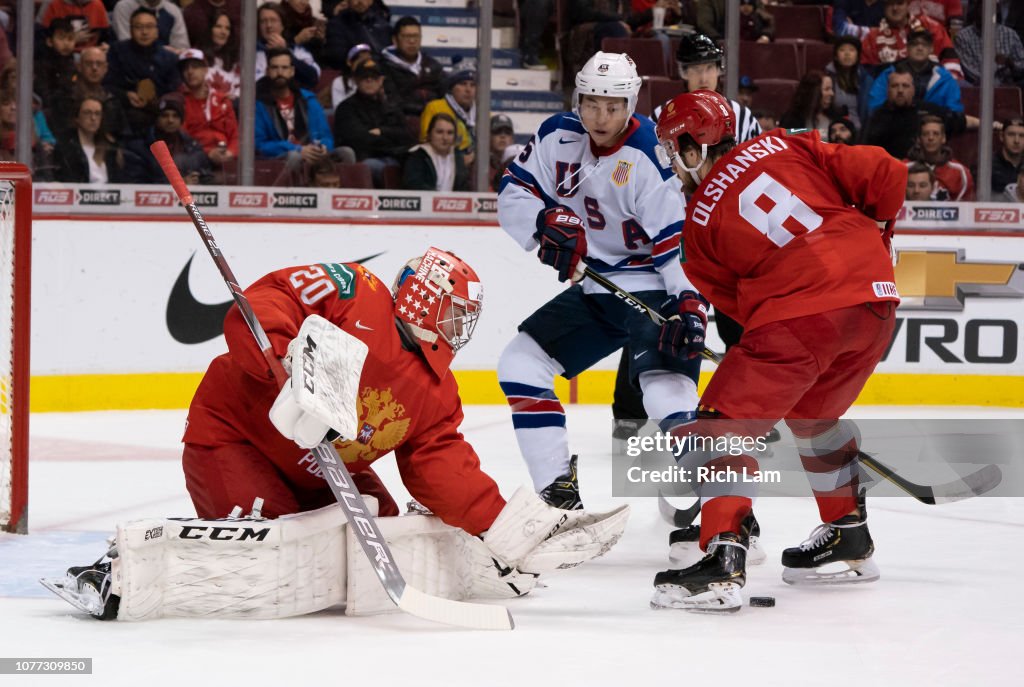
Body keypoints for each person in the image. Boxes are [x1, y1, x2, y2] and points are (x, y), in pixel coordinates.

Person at [47, 248, 627, 620]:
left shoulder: (437, 389)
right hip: (236, 436)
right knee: (272, 546)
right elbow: (267, 300)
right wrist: (282, 359)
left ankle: (484, 556)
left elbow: (439, 465)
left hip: (322, 461)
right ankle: (119, 569)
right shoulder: (355, 291)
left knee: (379, 517)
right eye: (456, 315)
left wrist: (502, 530)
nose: (459, 330)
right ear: (427, 296)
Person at [651, 90, 905, 612]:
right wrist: (875, 240)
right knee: (816, 416)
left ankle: (723, 554)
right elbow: (887, 172)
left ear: (693, 146)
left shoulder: (696, 227)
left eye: (674, 152)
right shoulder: (787, 144)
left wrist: (774, 358)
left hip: (801, 317)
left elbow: (741, 308)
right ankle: (848, 536)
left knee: (722, 424)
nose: (673, 167)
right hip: (877, 300)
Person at [495, 52, 701, 509]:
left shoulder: (650, 152)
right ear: (577, 99)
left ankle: (714, 496)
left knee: (663, 383)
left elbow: (674, 242)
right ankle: (556, 493)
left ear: (629, 104)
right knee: (520, 366)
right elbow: (514, 188)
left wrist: (687, 301)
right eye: (591, 104)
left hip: (652, 283)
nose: (600, 116)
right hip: (597, 285)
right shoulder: (558, 134)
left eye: (612, 106)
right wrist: (542, 221)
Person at [618, 33, 762, 437]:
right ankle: (627, 413)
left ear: (719, 69)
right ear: (682, 73)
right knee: (654, 313)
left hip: (725, 233)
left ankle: (747, 409)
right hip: (676, 230)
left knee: (738, 323)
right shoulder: (665, 114)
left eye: (708, 67)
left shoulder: (740, 116)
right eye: (693, 68)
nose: (702, 75)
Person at [254, 48, 353, 171]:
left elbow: (325, 135)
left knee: (346, 153)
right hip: (282, 157)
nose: (280, 72)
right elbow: (260, 144)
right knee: (294, 157)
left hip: (313, 153)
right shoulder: (259, 104)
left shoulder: (308, 99)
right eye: (275, 68)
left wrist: (322, 147)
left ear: (292, 71)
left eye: (285, 68)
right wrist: (298, 150)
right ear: (267, 71)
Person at [333, 59, 414, 187]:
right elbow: (359, 139)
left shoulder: (391, 107)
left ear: (381, 80)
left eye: (374, 77)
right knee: (372, 166)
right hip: (365, 158)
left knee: (416, 162)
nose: (369, 81)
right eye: (364, 77)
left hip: (395, 157)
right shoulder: (346, 108)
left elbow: (407, 135)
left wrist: (381, 131)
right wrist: (391, 140)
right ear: (355, 80)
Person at [861, 63, 969, 159]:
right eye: (895, 86)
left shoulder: (928, 110)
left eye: (905, 86)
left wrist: (984, 124)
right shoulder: (877, 118)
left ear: (913, 89)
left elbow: (961, 121)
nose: (900, 90)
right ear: (887, 90)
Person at [103, 6, 180, 136]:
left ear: (157, 31)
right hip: (125, 110)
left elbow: (174, 90)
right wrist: (126, 95)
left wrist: (155, 101)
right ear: (131, 30)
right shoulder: (117, 52)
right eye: (138, 27)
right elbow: (107, 84)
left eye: (149, 27)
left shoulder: (169, 58)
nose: (144, 32)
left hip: (159, 111)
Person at [867, 29, 964, 115]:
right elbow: (874, 107)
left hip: (933, 130)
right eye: (915, 44)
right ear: (907, 48)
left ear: (931, 49)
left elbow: (955, 112)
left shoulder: (945, 78)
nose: (920, 48)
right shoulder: (889, 73)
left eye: (925, 44)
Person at [861, 0, 962, 80]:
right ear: (884, 6)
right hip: (889, 94)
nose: (895, 8)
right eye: (890, 4)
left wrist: (948, 84)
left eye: (900, 3)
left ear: (908, 4)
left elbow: (950, 59)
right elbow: (866, 75)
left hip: (931, 93)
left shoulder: (931, 27)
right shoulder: (873, 37)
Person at [126, 92, 212, 185]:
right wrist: (177, 184)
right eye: (165, 115)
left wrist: (199, 179)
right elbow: (136, 184)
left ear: (181, 121)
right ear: (157, 119)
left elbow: (207, 176)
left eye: (175, 116)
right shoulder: (139, 148)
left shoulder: (193, 147)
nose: (170, 120)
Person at [178, 49, 238, 168]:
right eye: (186, 68)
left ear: (205, 70)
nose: (190, 72)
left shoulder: (222, 100)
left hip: (226, 156)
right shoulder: (178, 102)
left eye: (195, 67)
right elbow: (182, 139)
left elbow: (235, 134)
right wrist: (208, 152)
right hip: (195, 157)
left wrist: (231, 152)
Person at [53, 96, 132, 183]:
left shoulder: (110, 148)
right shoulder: (65, 147)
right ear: (77, 118)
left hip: (108, 195)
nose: (93, 118)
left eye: (97, 113)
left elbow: (120, 182)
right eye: (87, 113)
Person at [379, 16, 445, 117]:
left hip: (435, 121)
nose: (412, 41)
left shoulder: (433, 65)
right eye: (406, 36)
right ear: (395, 40)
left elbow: (445, 96)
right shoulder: (385, 68)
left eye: (416, 36)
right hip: (401, 123)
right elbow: (393, 103)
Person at [904, 114, 974, 200]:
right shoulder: (902, 169)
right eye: (926, 134)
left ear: (943, 138)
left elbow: (965, 209)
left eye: (936, 134)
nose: (930, 138)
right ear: (919, 139)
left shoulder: (960, 172)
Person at [954, 3, 1024, 87]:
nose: (985, 14)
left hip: (1009, 84)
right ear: (975, 12)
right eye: (981, 10)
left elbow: (1021, 66)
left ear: (996, 12)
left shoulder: (1010, 34)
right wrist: (996, 83)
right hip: (976, 86)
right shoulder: (963, 37)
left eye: (989, 10)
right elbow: (970, 71)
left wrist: (1010, 63)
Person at [256, 2, 321, 92]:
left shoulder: (297, 50)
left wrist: (285, 51)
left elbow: (313, 78)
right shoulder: (251, 52)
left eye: (273, 20)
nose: (269, 25)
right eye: (263, 21)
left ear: (282, 25)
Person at [420, 70, 477, 170]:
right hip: (442, 164)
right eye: (463, 84)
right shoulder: (435, 107)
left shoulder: (484, 114)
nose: (468, 89)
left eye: (473, 85)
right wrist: (457, 160)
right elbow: (426, 141)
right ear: (452, 87)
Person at [403, 112, 469, 192]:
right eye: (440, 132)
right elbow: (414, 186)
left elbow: (463, 188)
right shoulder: (418, 156)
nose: (445, 137)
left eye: (450, 133)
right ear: (430, 134)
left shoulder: (458, 157)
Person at [323, 0, 392, 70]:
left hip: (387, 71)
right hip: (358, 72)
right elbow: (337, 55)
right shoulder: (336, 24)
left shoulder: (382, 22)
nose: (360, 1)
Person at [780, 71, 843, 141]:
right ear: (813, 92)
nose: (832, 93)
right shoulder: (791, 119)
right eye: (827, 89)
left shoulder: (835, 117)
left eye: (832, 89)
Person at [825, 35, 872, 129]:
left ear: (858, 56)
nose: (847, 54)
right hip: (834, 129)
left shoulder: (866, 80)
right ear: (836, 56)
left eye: (851, 50)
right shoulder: (827, 78)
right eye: (842, 50)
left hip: (860, 131)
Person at [111, 0, 189, 51]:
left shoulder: (173, 10)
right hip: (132, 64)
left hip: (166, 65)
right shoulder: (124, 7)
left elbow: (182, 48)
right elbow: (126, 45)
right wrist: (164, 51)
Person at [200, 9, 241, 100]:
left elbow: (240, 89)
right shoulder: (198, 58)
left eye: (227, 28)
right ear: (209, 29)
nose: (223, 32)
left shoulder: (235, 60)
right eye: (218, 26)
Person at [992, 117, 1024, 195]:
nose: (1016, 140)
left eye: (1022, 135)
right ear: (1001, 136)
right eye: (1011, 134)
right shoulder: (987, 167)